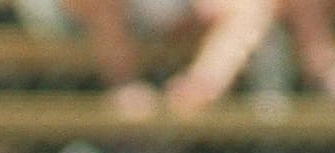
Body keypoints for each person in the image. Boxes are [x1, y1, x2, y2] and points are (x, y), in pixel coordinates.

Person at [62, 0, 282, 117]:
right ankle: (125, 86)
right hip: (103, 20)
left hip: (174, 16)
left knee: (251, 7)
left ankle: (198, 90)